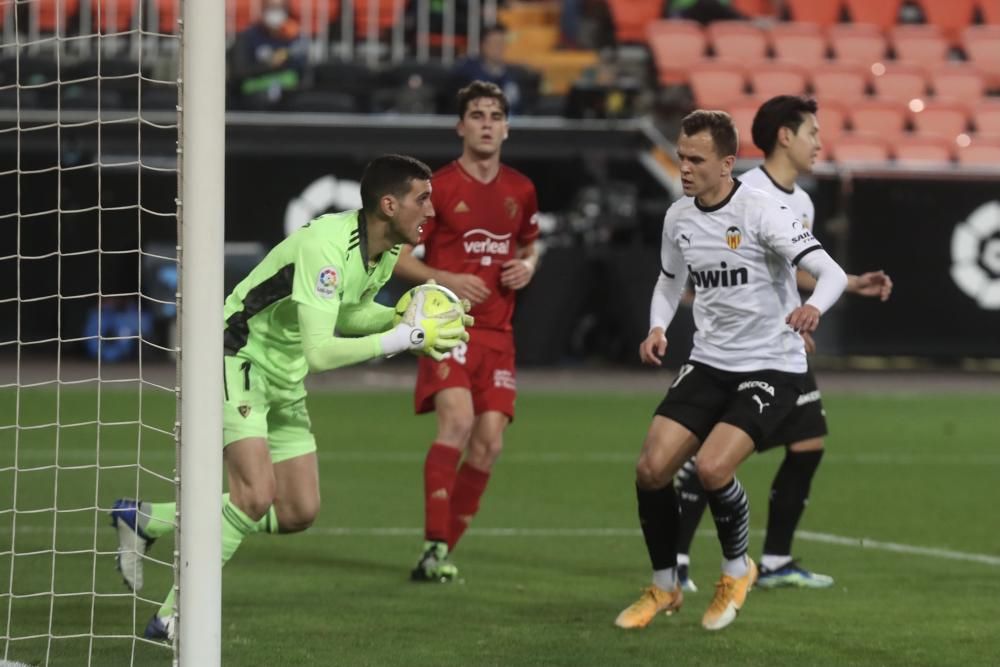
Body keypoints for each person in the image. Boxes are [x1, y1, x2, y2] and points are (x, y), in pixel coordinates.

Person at [110, 155, 471, 640]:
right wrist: (405, 339)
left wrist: (405, 316)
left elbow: (348, 315)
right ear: (389, 204)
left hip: (284, 373)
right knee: (254, 496)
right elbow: (322, 353)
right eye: (422, 198)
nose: (432, 209)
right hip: (235, 356)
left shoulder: (385, 250)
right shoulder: (326, 247)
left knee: (299, 509)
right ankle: (171, 616)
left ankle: (147, 519)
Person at [614, 110, 848, 631]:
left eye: (696, 159)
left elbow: (829, 272)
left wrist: (815, 309)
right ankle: (664, 586)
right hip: (709, 361)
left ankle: (736, 569)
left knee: (715, 469)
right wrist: (658, 328)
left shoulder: (762, 210)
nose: (685, 167)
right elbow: (669, 280)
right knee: (651, 469)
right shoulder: (679, 217)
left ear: (726, 163)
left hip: (772, 364)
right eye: (681, 157)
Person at [673, 96, 894, 593]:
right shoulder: (744, 190)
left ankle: (773, 561)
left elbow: (791, 268)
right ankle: (679, 560)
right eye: (812, 132)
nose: (820, 142)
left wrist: (848, 285)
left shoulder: (803, 200)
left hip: (782, 344)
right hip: (740, 352)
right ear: (785, 137)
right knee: (707, 457)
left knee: (807, 443)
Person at [394, 80, 540, 582]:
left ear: (507, 127)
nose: (486, 123)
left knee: (489, 444)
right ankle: (435, 546)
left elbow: (527, 245)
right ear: (461, 126)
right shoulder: (437, 189)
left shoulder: (521, 189)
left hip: (499, 335)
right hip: (448, 329)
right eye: (476, 115)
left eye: (495, 115)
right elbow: (397, 258)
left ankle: (438, 556)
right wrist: (448, 278)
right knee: (456, 423)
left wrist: (529, 266)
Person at [228, 0, 308, 109]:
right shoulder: (248, 37)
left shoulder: (295, 38)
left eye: (280, 8)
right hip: (252, 102)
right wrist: (269, 64)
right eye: (271, 7)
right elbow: (239, 72)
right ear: (263, 9)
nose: (275, 13)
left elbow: (303, 72)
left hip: (289, 101)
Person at [450, 24, 523, 115]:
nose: (499, 48)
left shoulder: (515, 75)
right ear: (483, 45)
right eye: (495, 43)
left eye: (502, 43)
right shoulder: (466, 73)